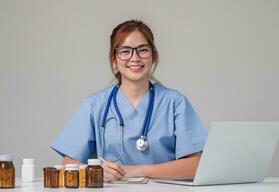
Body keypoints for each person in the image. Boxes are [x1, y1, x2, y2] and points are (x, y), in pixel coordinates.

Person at [51, 19, 207, 181]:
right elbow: (68, 162)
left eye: (143, 50)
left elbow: (195, 165)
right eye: (125, 51)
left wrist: (134, 171)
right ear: (114, 59)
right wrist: (93, 171)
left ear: (153, 56)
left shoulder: (174, 103)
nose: (135, 58)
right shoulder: (95, 105)